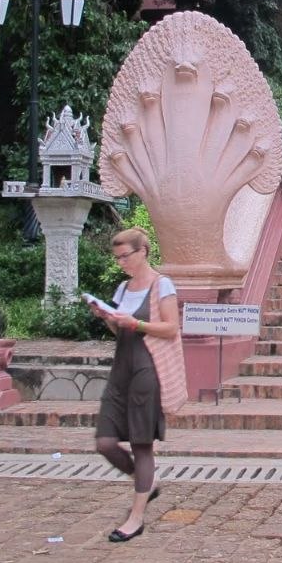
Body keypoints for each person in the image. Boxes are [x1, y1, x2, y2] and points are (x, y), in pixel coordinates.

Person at [87, 228, 179, 542]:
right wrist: (107, 316)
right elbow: (120, 329)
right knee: (105, 441)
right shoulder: (123, 287)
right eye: (118, 258)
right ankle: (145, 482)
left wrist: (136, 323)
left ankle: (136, 516)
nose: (122, 262)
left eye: (126, 255)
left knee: (141, 442)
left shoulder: (161, 284)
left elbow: (170, 328)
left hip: (147, 365)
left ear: (143, 252)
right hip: (122, 365)